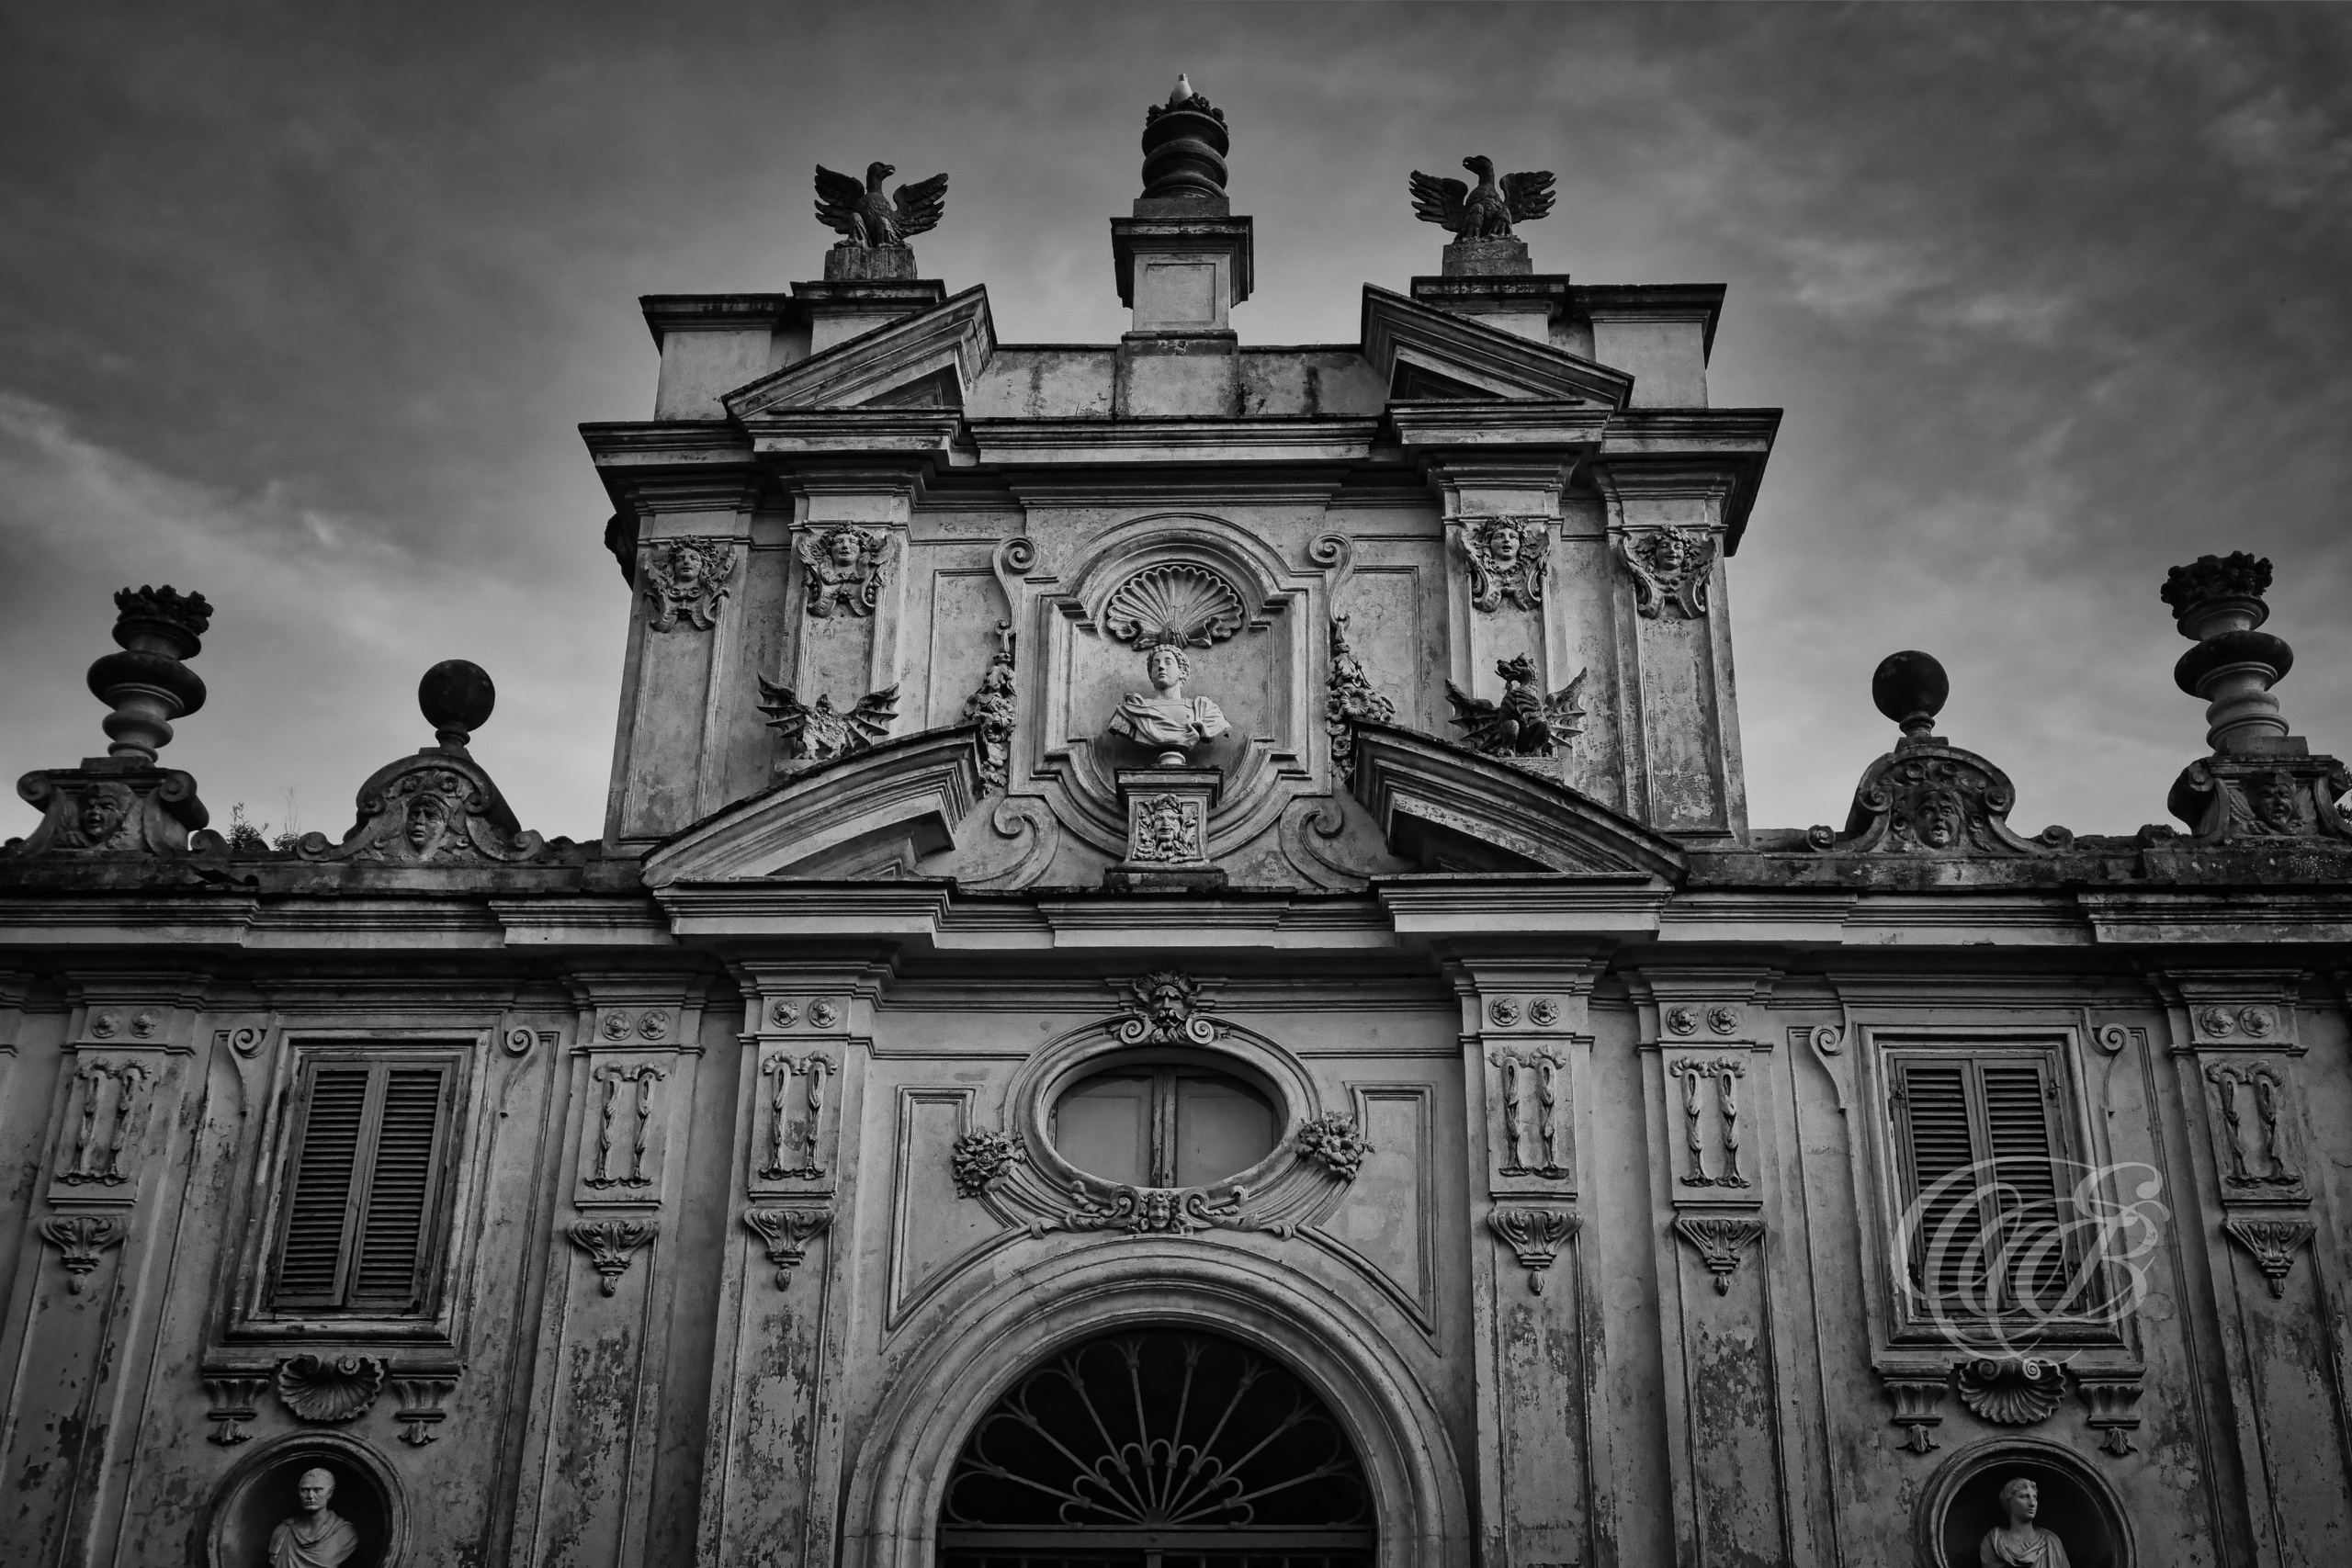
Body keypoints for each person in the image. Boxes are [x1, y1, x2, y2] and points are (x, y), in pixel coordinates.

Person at [1108, 642, 1229, 765]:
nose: (1161, 667)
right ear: (1150, 675)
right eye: (1156, 663)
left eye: (1168, 662)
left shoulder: (1203, 708)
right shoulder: (1133, 708)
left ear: (1182, 672)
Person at [267, 1467, 359, 1568]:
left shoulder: (344, 1534)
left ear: (330, 1493)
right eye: (305, 1490)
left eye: (318, 1490)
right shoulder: (283, 1531)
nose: (310, 1496)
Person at [1980, 1476, 2069, 1567]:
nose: (2032, 1503)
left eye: (2034, 1497)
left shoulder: (2051, 1541)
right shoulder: (1994, 1541)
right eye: (2024, 1496)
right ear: (2009, 1501)